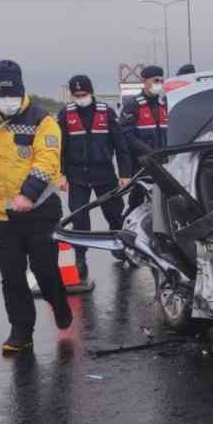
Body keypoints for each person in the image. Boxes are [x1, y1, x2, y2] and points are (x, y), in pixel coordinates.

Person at [0, 60, 73, 355]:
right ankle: (21, 332)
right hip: (2, 215)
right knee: (11, 275)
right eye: (2, 95)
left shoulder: (43, 120)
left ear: (21, 91)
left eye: (12, 94)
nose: (7, 101)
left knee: (45, 270)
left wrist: (28, 195)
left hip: (39, 211)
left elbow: (48, 161)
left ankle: (59, 305)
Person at [57, 74, 132, 278]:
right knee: (79, 218)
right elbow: (59, 149)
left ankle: (122, 248)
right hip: (77, 175)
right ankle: (80, 258)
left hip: (104, 173)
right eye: (77, 95)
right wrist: (60, 174)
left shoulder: (106, 112)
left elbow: (120, 145)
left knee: (115, 214)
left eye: (84, 93)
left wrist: (125, 174)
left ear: (91, 92)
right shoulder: (65, 115)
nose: (81, 97)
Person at [123, 64, 168, 151]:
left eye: (161, 81)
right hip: (142, 157)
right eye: (156, 81)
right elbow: (126, 134)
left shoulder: (164, 105)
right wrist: (147, 151)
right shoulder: (133, 104)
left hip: (163, 156)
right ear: (144, 81)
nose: (159, 84)